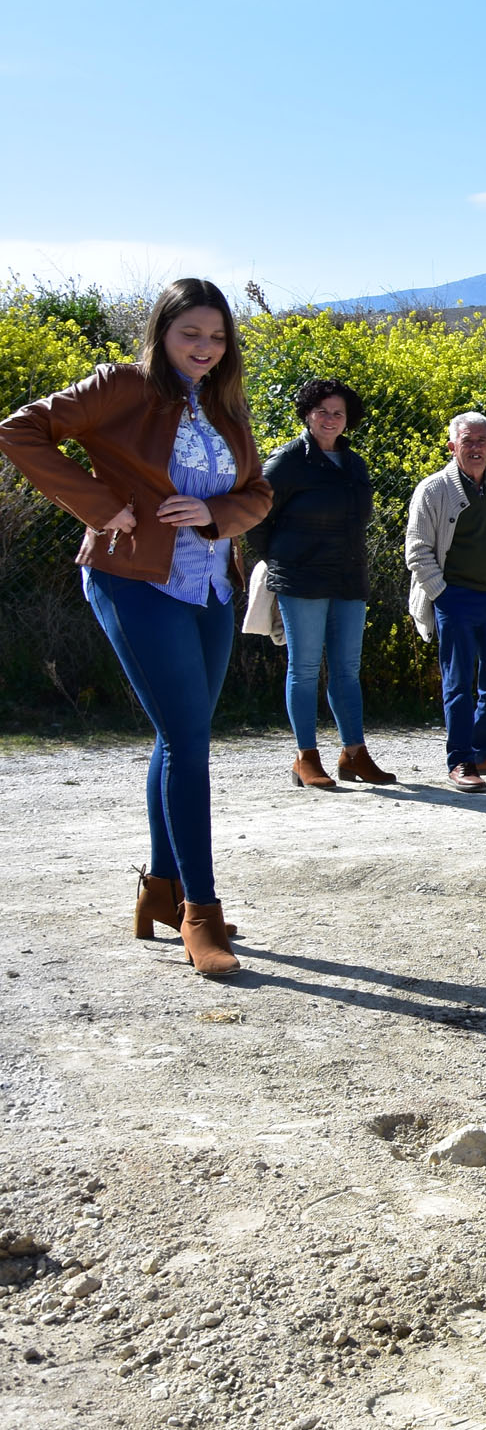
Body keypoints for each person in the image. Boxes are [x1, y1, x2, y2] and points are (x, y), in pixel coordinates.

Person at [0, 277, 271, 977]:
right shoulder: (122, 385)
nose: (205, 348)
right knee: (187, 740)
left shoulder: (224, 403)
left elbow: (259, 492)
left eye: (217, 337)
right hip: (134, 579)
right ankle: (200, 912)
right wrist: (101, 506)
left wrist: (215, 515)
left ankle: (159, 891)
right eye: (191, 334)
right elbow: (20, 431)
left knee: (181, 734)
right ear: (162, 331)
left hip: (212, 587)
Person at [249, 377, 395, 787]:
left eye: (338, 413)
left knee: (347, 669)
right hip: (301, 579)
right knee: (306, 668)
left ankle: (354, 755)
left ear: (348, 419)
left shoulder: (354, 464)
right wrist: (281, 561)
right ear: (307, 414)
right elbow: (256, 517)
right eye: (322, 411)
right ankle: (305, 758)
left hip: (348, 577)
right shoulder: (287, 461)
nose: (330, 419)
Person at [403, 412, 486, 793]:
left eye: (481, 441)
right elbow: (417, 550)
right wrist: (442, 593)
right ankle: (460, 760)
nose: (475, 448)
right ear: (452, 446)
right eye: (467, 441)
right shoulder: (433, 490)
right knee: (458, 683)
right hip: (455, 599)